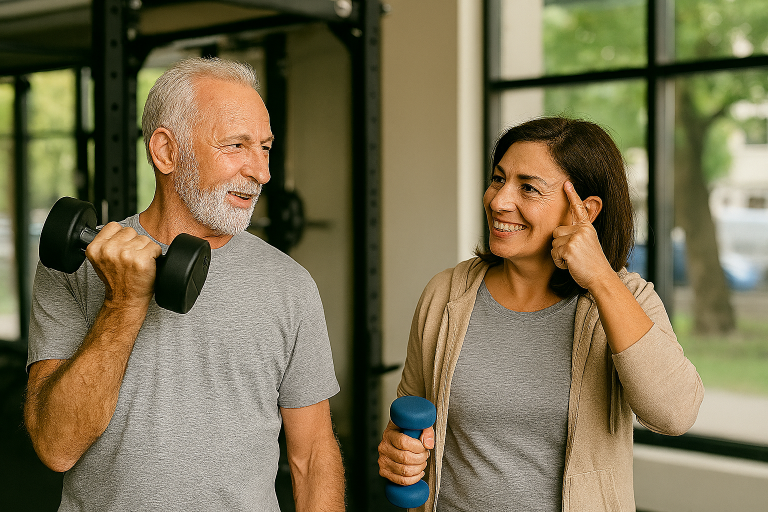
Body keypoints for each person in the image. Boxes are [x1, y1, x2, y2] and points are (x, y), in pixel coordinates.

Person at [24, 58, 345, 512]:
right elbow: (56, 447)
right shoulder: (75, 267)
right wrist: (124, 302)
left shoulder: (289, 285)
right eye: (236, 145)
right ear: (166, 152)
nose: (261, 172)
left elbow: (312, 455)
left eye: (265, 148)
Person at [378, 117, 704, 512]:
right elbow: (409, 421)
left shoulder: (626, 298)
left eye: (528, 188)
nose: (499, 201)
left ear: (583, 210)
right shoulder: (445, 294)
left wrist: (601, 278)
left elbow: (675, 414)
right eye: (499, 179)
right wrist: (399, 451)